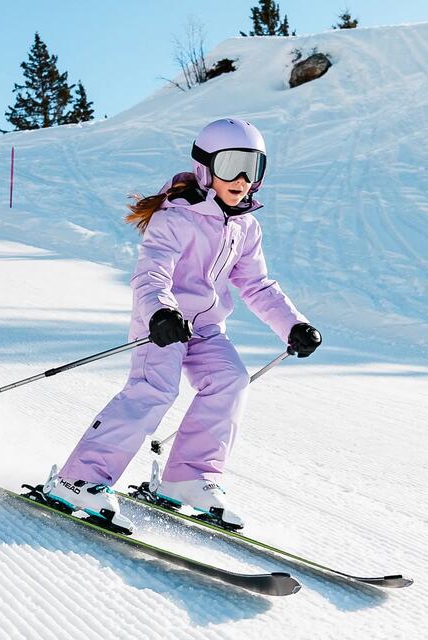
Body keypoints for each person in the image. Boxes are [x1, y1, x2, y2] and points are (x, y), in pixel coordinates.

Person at [42, 118, 322, 531]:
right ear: (206, 168)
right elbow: (151, 272)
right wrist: (160, 311)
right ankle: (79, 479)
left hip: (206, 328)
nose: (243, 179)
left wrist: (292, 325)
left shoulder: (246, 225)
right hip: (163, 322)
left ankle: (187, 478)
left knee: (230, 379)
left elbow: (257, 284)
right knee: (155, 389)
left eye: (253, 167)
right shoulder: (176, 217)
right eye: (231, 165)